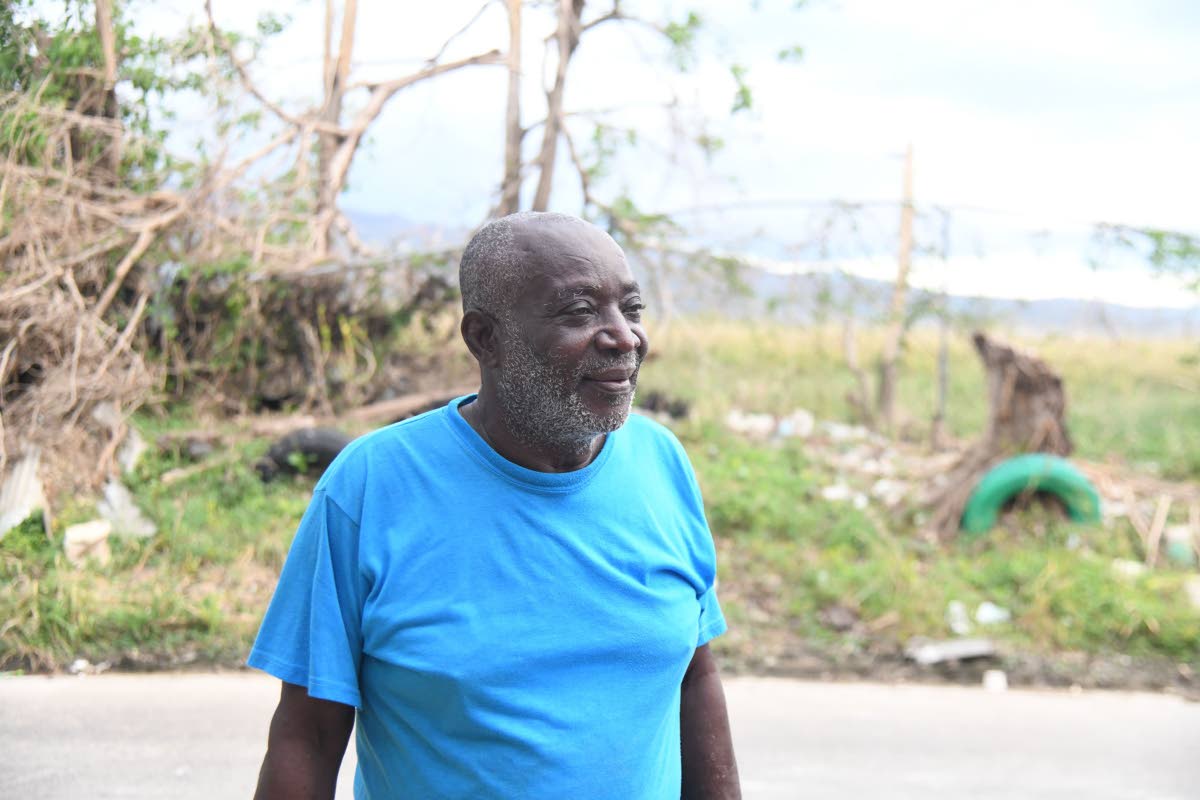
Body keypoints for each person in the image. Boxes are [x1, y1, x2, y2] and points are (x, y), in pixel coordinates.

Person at [249, 211, 741, 799]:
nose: (623, 337)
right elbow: (308, 735)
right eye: (581, 312)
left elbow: (695, 677)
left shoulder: (661, 464)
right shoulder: (371, 487)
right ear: (484, 338)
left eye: (630, 309)